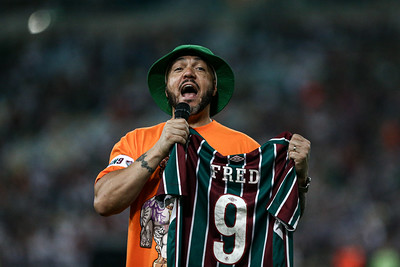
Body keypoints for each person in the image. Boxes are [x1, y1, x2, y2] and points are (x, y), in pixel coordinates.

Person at [93, 44, 311, 267]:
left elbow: (280, 218)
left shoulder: (246, 148)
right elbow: (104, 202)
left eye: (200, 69)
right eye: (178, 69)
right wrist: (159, 149)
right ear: (166, 88)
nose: (188, 72)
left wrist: (300, 181)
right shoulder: (137, 141)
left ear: (214, 87)